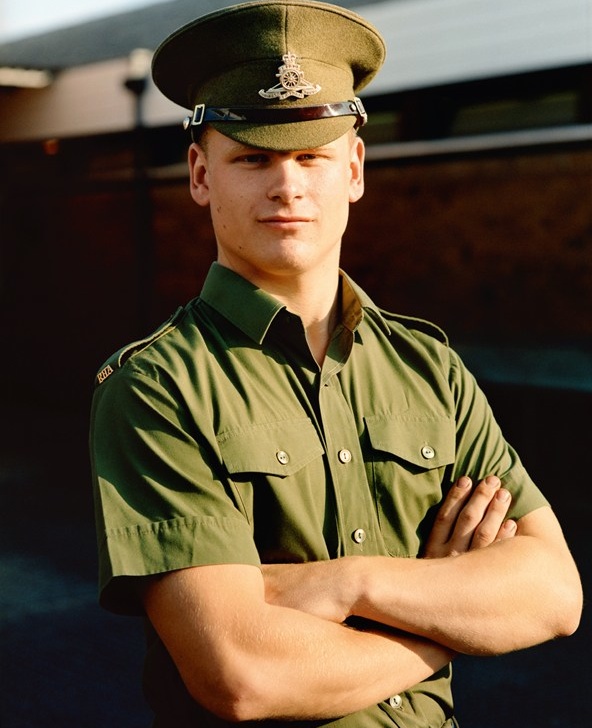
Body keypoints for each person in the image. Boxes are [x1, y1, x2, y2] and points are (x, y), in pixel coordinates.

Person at [89, 2, 582, 726]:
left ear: (352, 169)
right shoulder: (159, 387)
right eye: (252, 158)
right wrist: (439, 624)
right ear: (200, 174)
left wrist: (351, 583)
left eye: (311, 157)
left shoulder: (429, 368)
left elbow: (552, 592)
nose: (287, 186)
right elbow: (242, 675)